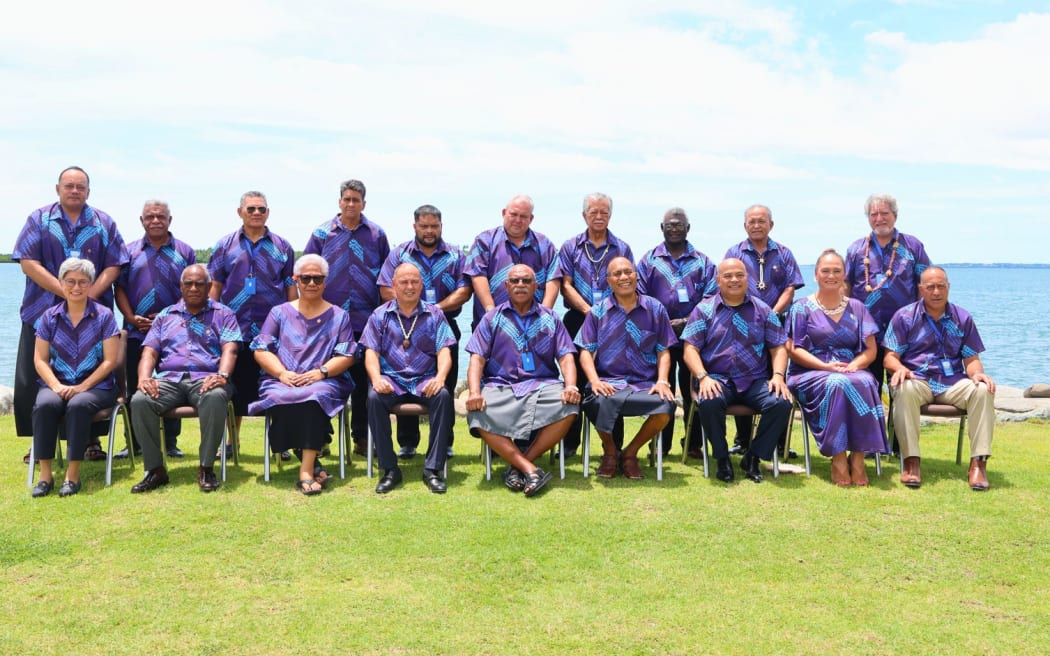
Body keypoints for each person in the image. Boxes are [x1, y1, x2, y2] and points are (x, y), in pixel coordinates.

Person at [13, 166, 128, 463]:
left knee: (93, 377)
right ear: (58, 189)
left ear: (88, 191)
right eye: (69, 186)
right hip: (42, 314)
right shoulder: (38, 219)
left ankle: (91, 441)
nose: (74, 190)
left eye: (80, 186)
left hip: (92, 318)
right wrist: (66, 292)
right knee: (36, 377)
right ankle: (41, 443)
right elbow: (27, 261)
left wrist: (86, 295)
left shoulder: (103, 222)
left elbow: (114, 264)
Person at [465, 264, 579, 496]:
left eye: (526, 281)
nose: (520, 285)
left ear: (536, 286)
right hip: (501, 385)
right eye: (515, 281)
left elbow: (566, 357)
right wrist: (475, 391)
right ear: (506, 286)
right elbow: (477, 360)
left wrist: (571, 386)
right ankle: (529, 468)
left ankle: (521, 464)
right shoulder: (492, 318)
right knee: (477, 411)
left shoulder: (551, 318)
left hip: (542, 385)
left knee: (570, 405)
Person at [129, 264, 241, 493]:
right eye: (188, 283)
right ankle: (155, 470)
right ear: (180, 287)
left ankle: (206, 467)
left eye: (199, 284)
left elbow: (231, 349)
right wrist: (143, 378)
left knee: (216, 396)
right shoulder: (165, 315)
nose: (193, 288)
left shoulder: (224, 314)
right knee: (140, 401)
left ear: (209, 286)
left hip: (207, 378)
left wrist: (222, 375)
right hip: (169, 379)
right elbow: (149, 352)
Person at [250, 255, 355, 495]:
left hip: (324, 381)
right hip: (281, 378)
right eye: (305, 278)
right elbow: (261, 349)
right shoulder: (278, 313)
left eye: (317, 278)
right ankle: (309, 457)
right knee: (281, 395)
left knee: (312, 397)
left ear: (325, 281)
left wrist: (321, 372)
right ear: (296, 279)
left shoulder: (339, 316)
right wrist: (281, 373)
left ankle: (306, 471)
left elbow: (348, 355)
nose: (311, 283)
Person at [883, 266, 996, 491]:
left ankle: (978, 464)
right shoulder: (904, 317)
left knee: (983, 390)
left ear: (948, 288)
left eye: (941, 286)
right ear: (920, 289)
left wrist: (977, 374)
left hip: (952, 383)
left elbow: (971, 358)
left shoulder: (962, 318)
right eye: (930, 287)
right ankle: (912, 462)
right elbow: (890, 357)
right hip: (918, 379)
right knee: (903, 388)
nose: (936, 291)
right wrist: (900, 368)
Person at [682, 258, 793, 483]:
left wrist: (779, 376)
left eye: (739, 275)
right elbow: (690, 349)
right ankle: (722, 459)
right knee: (709, 400)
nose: (734, 280)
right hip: (716, 379)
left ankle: (753, 457)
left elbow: (778, 348)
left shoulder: (763, 310)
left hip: (754, 380)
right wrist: (703, 378)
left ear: (747, 278)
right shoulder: (703, 310)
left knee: (781, 402)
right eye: (728, 276)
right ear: (718, 280)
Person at [785, 249, 888, 487]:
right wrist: (825, 367)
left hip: (849, 368)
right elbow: (793, 349)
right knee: (838, 383)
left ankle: (859, 458)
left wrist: (854, 365)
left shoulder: (857, 308)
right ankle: (839, 458)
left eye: (837, 271)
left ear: (844, 275)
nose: (831, 275)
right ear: (816, 275)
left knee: (866, 380)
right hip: (809, 371)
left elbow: (870, 350)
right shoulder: (801, 308)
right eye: (825, 271)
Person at [304, 179, 390, 458]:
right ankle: (322, 438)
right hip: (327, 323)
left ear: (364, 203)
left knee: (364, 384)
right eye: (347, 199)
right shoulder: (321, 234)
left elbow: (387, 279)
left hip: (367, 323)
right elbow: (307, 273)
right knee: (325, 379)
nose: (351, 204)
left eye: (356, 200)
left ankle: (362, 439)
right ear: (339, 202)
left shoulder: (377, 235)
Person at [208, 191, 297, 457]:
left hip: (272, 334)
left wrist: (294, 323)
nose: (256, 213)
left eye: (261, 209)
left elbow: (291, 288)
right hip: (234, 330)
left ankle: (281, 445)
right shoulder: (224, 246)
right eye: (251, 209)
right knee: (233, 389)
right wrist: (210, 322)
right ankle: (232, 443)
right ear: (240, 212)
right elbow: (215, 287)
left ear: (268, 213)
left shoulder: (282, 247)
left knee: (277, 386)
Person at [378, 204, 471, 459]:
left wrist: (434, 311)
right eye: (424, 226)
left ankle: (445, 442)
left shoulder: (455, 255)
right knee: (405, 376)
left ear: (441, 226)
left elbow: (464, 291)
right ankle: (408, 442)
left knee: (445, 383)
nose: (429, 231)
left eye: (434, 226)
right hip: (402, 326)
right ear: (415, 226)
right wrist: (413, 310)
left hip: (444, 325)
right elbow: (386, 288)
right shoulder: (399, 254)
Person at [576, 257, 677, 480]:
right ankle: (611, 452)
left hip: (645, 384)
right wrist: (594, 381)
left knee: (665, 406)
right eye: (617, 274)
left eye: (628, 272)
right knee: (595, 402)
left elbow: (663, 350)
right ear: (609, 281)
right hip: (608, 381)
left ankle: (630, 453)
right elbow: (585, 350)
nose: (624, 277)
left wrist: (662, 380)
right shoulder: (598, 312)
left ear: (636, 276)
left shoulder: (655, 308)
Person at [361, 263, 456, 494]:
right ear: (394, 285)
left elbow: (445, 350)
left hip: (424, 378)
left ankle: (432, 469)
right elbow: (370, 352)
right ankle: (390, 469)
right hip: (391, 379)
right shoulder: (380, 315)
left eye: (414, 281)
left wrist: (441, 377)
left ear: (421, 284)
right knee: (373, 399)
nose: (409, 286)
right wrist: (376, 379)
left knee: (443, 396)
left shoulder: (435, 314)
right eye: (403, 282)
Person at [29, 258, 121, 498]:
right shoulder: (49, 317)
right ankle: (45, 475)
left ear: (90, 285)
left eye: (82, 282)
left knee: (79, 405)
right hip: (58, 382)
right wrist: (56, 385)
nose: (76, 287)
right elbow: (40, 359)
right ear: (61, 283)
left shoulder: (105, 316)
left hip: (97, 386)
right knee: (45, 404)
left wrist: (82, 386)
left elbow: (110, 361)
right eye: (70, 281)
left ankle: (72, 474)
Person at [115, 200, 196, 459]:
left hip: (176, 333)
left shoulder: (185, 252)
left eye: (161, 216)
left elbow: (194, 291)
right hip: (136, 331)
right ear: (142, 221)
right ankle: (134, 443)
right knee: (135, 387)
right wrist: (129, 316)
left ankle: (170, 442)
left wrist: (167, 317)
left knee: (173, 384)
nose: (155, 221)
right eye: (150, 217)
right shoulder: (128, 252)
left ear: (170, 220)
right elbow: (120, 289)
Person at [724, 204, 805, 457]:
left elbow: (790, 288)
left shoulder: (783, 253)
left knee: (775, 383)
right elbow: (729, 285)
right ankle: (743, 441)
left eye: (761, 221)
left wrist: (771, 314)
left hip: (776, 327)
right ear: (745, 225)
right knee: (743, 378)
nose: (757, 225)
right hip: (741, 327)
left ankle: (779, 443)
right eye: (752, 221)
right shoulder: (735, 252)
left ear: (771, 224)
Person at [558, 193, 635, 457]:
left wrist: (604, 313)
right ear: (584, 215)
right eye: (593, 212)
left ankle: (613, 447)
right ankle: (570, 443)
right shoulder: (571, 246)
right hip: (578, 317)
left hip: (614, 321)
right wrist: (590, 310)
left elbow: (627, 284)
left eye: (604, 212)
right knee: (575, 381)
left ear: (610, 215)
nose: (599, 216)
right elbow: (565, 284)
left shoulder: (622, 248)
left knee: (611, 380)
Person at [635, 207, 716, 458]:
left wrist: (685, 321)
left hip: (694, 337)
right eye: (669, 225)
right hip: (659, 338)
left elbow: (712, 298)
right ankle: (660, 445)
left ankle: (693, 445)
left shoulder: (703, 262)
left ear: (688, 228)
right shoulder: (649, 260)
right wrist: (663, 322)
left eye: (679, 225)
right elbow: (639, 297)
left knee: (694, 390)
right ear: (662, 228)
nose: (674, 228)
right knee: (662, 389)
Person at [845, 193, 932, 391]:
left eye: (884, 213)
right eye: (873, 214)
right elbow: (845, 286)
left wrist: (921, 321)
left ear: (895, 215)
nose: (879, 218)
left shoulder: (912, 246)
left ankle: (896, 423)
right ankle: (872, 423)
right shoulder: (856, 249)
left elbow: (925, 283)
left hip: (904, 330)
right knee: (868, 385)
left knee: (902, 385)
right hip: (866, 330)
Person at [464, 194, 560, 330]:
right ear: (504, 213)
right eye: (513, 214)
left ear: (531, 219)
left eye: (523, 216)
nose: (517, 220)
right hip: (490, 326)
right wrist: (491, 312)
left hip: (535, 326)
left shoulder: (545, 245)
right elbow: (478, 277)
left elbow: (553, 279)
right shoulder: (485, 241)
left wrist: (545, 314)